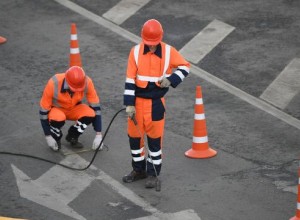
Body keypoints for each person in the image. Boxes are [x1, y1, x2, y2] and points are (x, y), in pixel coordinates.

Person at [122, 19, 190, 188]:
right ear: (142, 38)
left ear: (160, 38)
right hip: (137, 104)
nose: (151, 46)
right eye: (149, 43)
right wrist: (129, 104)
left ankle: (153, 174)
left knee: (154, 142)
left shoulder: (168, 51)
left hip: (156, 104)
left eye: (154, 43)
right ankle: (139, 170)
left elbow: (185, 67)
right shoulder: (135, 52)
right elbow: (130, 80)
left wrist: (172, 79)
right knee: (135, 140)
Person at [39, 66, 103, 151]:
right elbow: (43, 112)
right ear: (67, 81)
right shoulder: (53, 83)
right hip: (57, 110)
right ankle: (55, 137)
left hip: (74, 108)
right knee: (58, 118)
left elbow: (96, 107)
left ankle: (72, 136)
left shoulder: (87, 82)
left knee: (91, 114)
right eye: (74, 89)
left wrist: (99, 134)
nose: (76, 91)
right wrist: (48, 136)